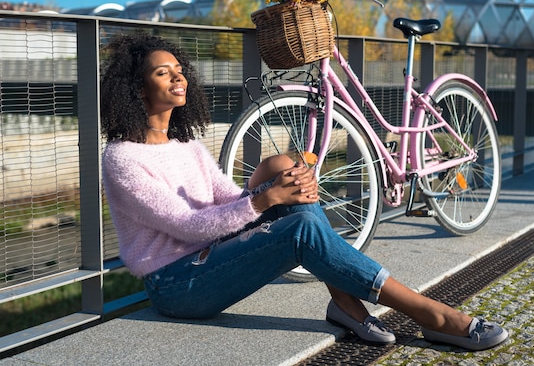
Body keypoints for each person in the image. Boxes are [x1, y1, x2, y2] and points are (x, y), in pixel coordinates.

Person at [100, 31, 509, 350]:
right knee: (297, 227)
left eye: (178, 68)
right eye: (162, 72)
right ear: (137, 90)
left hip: (215, 256)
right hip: (178, 286)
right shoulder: (122, 159)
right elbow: (188, 227)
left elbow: (227, 201)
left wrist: (279, 184)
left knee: (287, 176)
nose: (178, 76)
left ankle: (347, 306)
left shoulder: (184, 146)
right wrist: (266, 198)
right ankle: (429, 314)